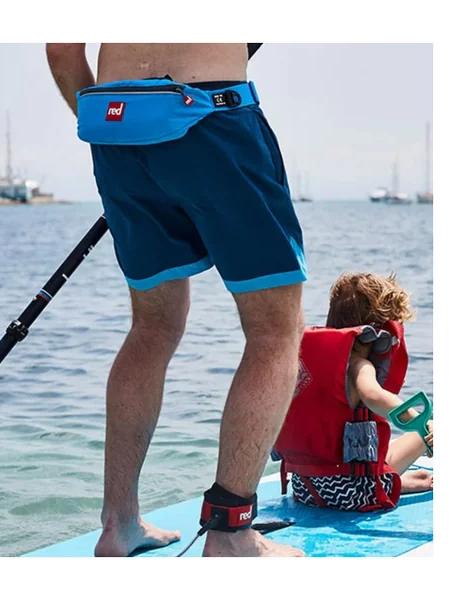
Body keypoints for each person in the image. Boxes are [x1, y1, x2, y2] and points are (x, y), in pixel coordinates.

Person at [46, 43, 307, 557]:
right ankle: (230, 535)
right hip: (212, 118)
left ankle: (118, 524)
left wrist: (117, 130)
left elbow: (60, 49)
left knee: (152, 327)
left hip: (115, 125)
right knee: (275, 332)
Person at [273, 272, 433, 512]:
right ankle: (389, 482)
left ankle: (397, 480)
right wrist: (420, 423)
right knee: (434, 428)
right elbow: (374, 396)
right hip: (354, 494)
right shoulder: (359, 365)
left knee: (374, 449)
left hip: (305, 488)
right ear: (378, 331)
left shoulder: (305, 361)